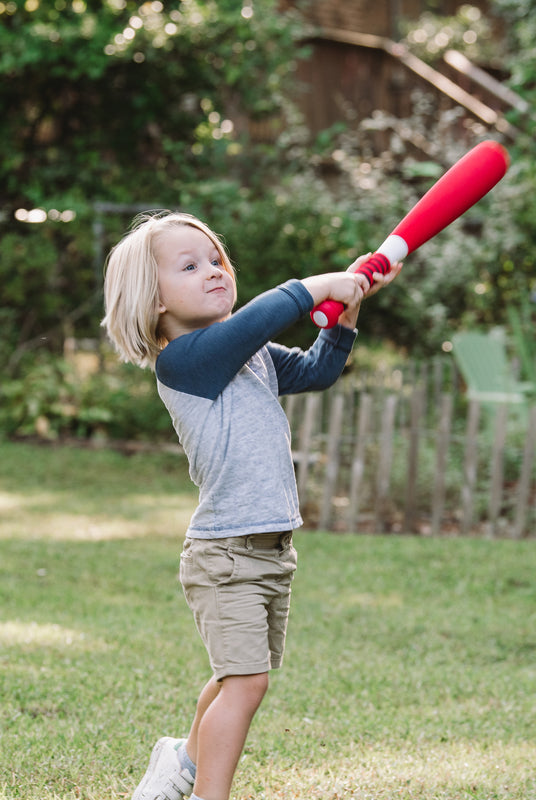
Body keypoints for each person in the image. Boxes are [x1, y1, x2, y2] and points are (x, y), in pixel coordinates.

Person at [101, 210, 401, 800]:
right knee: (247, 683)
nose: (213, 271)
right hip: (227, 554)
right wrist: (318, 287)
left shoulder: (253, 355)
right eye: (190, 266)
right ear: (154, 301)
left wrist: (350, 304)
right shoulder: (185, 361)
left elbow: (317, 370)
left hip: (271, 552)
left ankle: (181, 760)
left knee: (235, 677)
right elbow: (265, 315)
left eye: (217, 260)